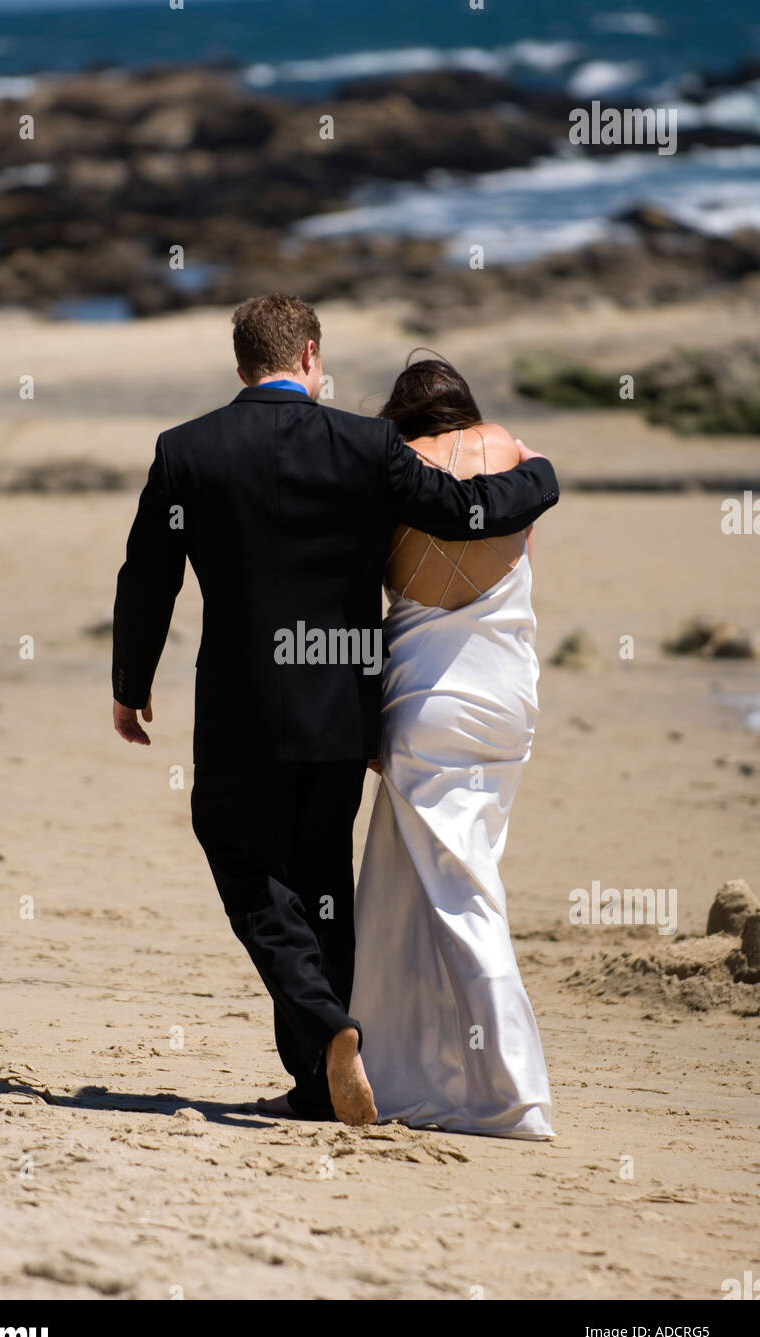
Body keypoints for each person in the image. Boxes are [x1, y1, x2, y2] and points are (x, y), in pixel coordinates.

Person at [111, 296, 558, 1126]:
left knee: (244, 863)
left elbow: (147, 576)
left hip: (242, 703)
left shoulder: (187, 450)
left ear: (243, 364)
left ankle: (328, 1031)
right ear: (310, 356)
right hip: (342, 704)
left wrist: (130, 683)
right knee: (321, 883)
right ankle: (319, 1086)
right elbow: (464, 511)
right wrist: (541, 475)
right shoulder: (366, 446)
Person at [350, 357, 555, 1138]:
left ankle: (513, 1094)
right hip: (506, 695)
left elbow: (359, 605)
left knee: (460, 892)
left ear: (402, 420)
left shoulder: (392, 477)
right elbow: (526, 531)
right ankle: (409, 1075)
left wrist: (360, 718)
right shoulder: (514, 454)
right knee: (412, 889)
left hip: (429, 698)